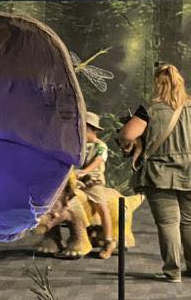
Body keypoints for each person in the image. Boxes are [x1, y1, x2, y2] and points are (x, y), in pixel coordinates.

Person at [119, 63, 191, 283]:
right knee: (189, 222)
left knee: (168, 223)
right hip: (189, 172)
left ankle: (173, 272)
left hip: (159, 174)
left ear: (158, 84)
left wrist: (136, 142)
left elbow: (127, 135)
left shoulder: (149, 110)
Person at [76, 111, 115, 259]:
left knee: (102, 207)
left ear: (91, 129)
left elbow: (99, 159)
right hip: (78, 183)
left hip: (93, 182)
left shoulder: (100, 146)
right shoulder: (79, 145)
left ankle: (109, 240)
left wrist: (85, 172)